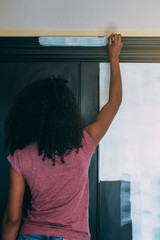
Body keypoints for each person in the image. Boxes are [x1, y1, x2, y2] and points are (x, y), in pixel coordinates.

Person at [2, 33, 123, 240]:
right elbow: (114, 103)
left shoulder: (20, 156)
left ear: (32, 114)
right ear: (68, 112)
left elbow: (13, 219)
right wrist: (114, 57)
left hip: (31, 234)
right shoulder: (84, 142)